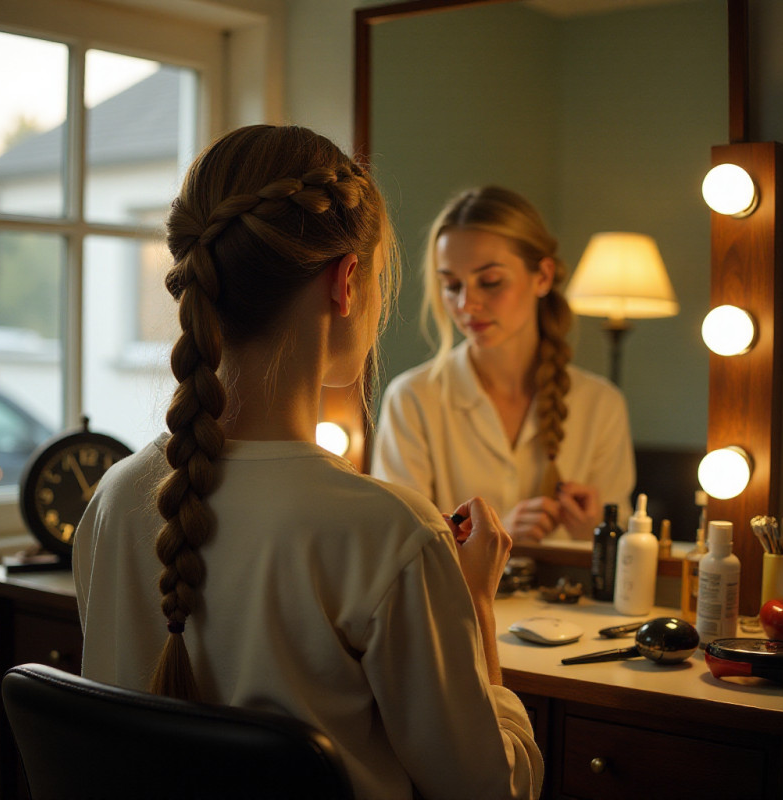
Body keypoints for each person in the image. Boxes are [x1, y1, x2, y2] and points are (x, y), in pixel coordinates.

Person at [73, 126, 543, 800]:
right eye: (380, 279)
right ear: (347, 281)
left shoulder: (114, 501)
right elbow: (490, 792)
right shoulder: (388, 535)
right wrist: (473, 607)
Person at [371, 186, 634, 542]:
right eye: (451, 285)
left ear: (542, 276)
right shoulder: (413, 399)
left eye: (490, 281)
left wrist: (595, 533)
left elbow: (623, 554)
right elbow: (398, 543)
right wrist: (495, 537)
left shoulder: (601, 405)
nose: (467, 303)